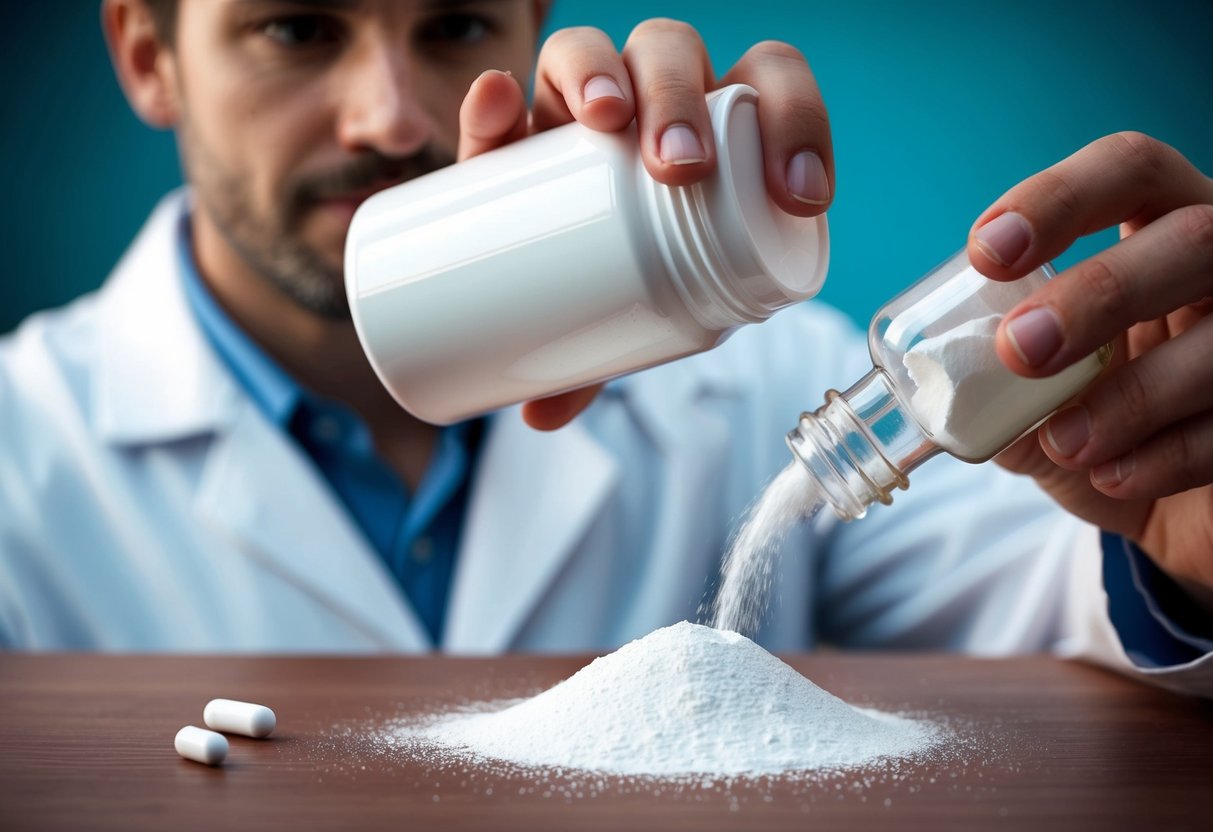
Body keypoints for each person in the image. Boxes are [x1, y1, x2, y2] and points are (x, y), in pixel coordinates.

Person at [0, 1, 1209, 695]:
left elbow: (1069, 615)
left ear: (532, 25)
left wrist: (1175, 551)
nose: (394, 117)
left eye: (454, 25)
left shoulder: (748, 374)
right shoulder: (24, 453)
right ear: (148, 54)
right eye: (298, 28)